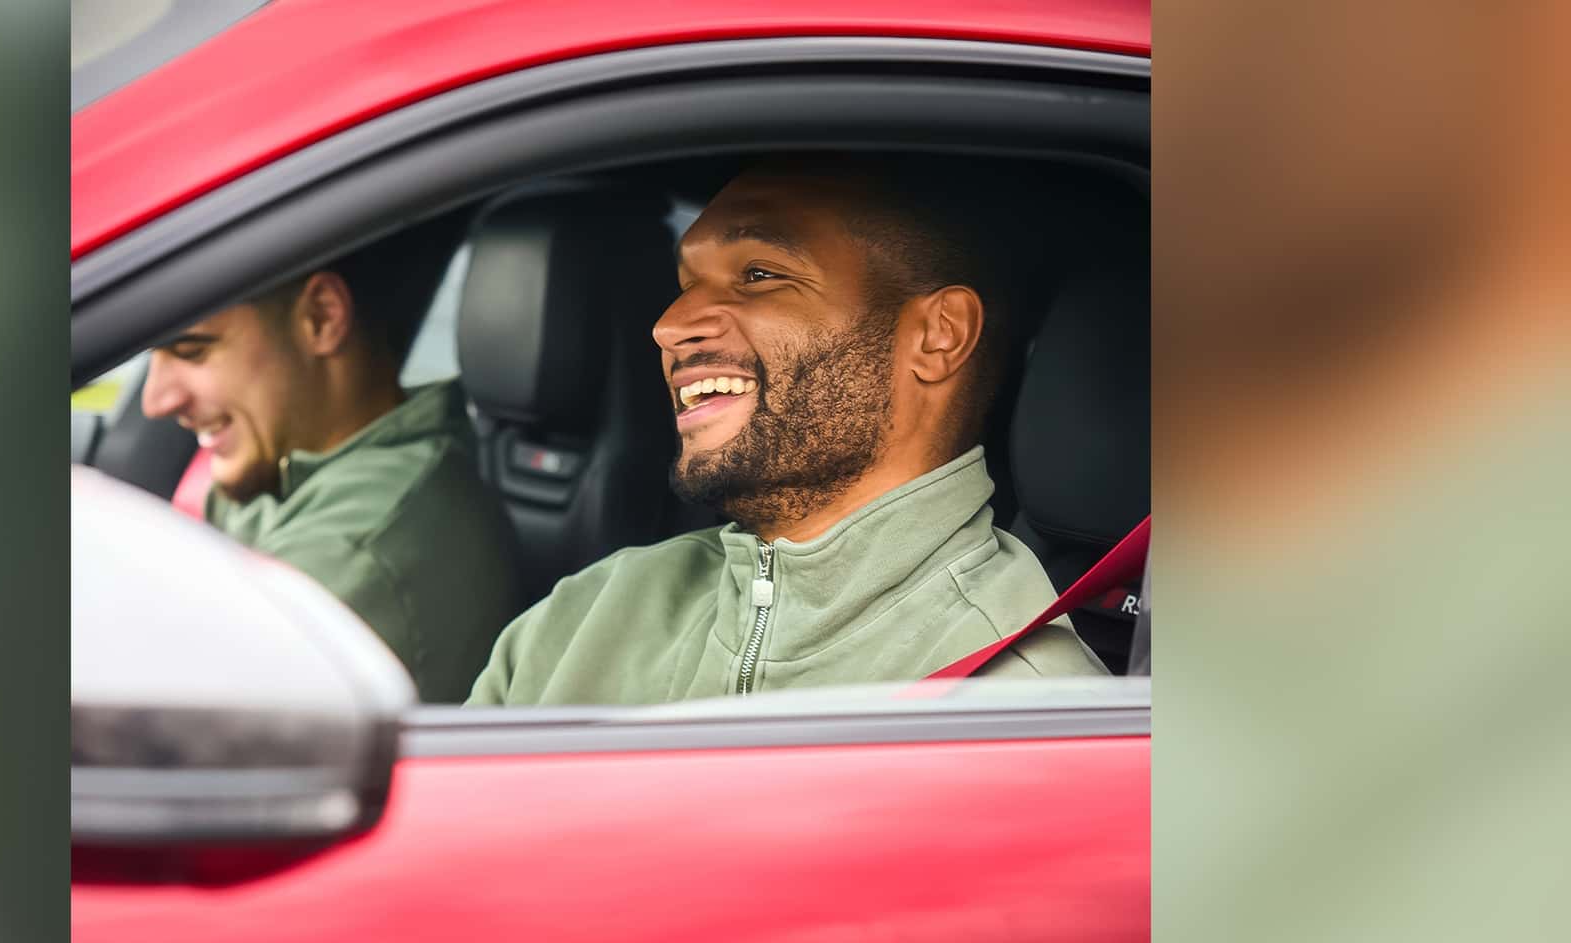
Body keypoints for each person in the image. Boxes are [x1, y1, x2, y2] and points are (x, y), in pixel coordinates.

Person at [468, 155, 1105, 706]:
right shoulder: (589, 611)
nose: (669, 325)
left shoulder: (1015, 706)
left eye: (760, 275)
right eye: (686, 284)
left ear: (939, 336)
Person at [142, 226, 521, 703]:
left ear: (322, 318)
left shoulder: (350, 548)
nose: (155, 399)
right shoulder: (300, 470)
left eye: (191, 351)